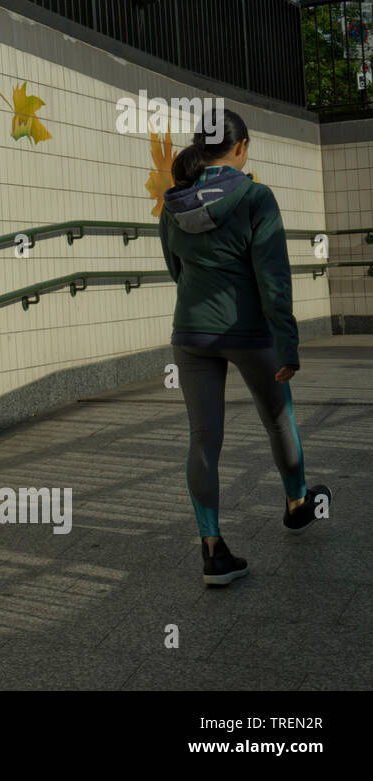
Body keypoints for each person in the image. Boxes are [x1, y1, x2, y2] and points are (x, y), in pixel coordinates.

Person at [158, 106, 330, 586]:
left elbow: (177, 271)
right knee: (278, 419)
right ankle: (297, 504)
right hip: (250, 334)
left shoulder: (174, 203)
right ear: (241, 148)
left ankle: (212, 549)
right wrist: (287, 343)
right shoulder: (256, 197)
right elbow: (273, 278)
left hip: (190, 334)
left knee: (203, 439)